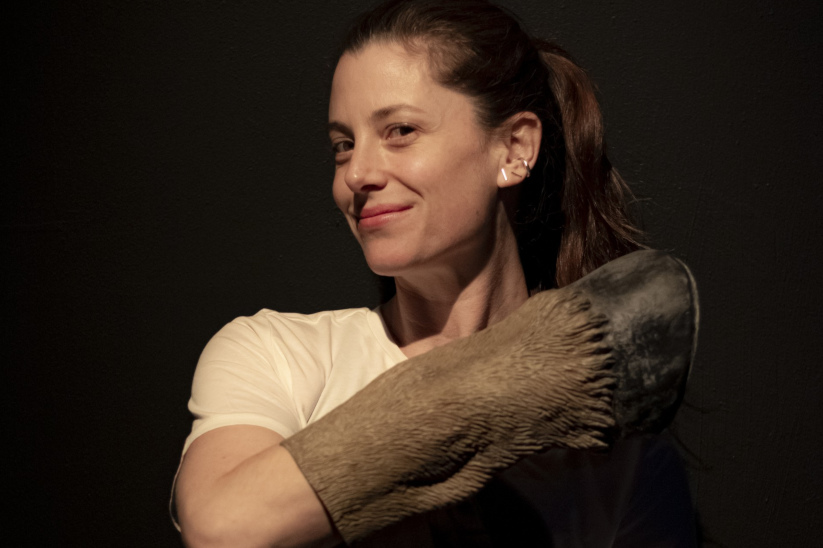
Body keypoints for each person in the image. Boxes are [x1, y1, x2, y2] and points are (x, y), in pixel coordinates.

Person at [172, 0, 698, 546]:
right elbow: (222, 527)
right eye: (343, 146)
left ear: (514, 148)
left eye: (400, 130)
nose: (356, 173)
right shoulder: (277, 355)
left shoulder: (616, 454)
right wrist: (505, 384)